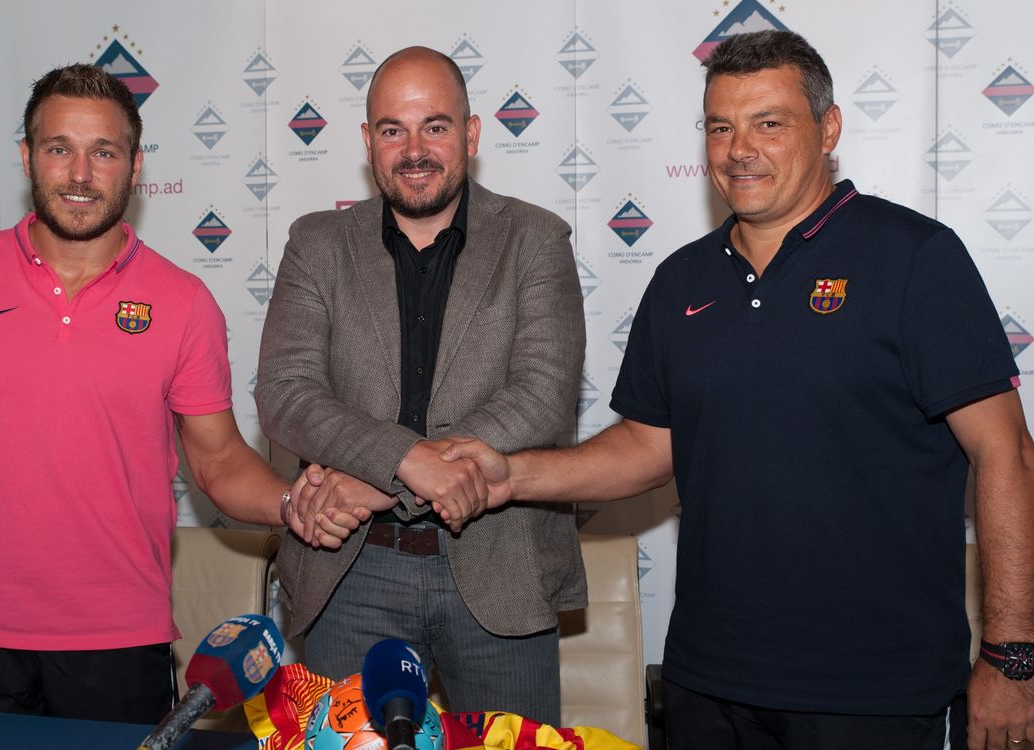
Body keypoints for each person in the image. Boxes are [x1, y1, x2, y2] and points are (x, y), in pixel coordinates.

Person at [438, 31, 1034, 750]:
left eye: (769, 123)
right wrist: (513, 475)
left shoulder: (916, 258)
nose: (738, 149)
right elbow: (650, 445)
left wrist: (1013, 658)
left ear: (829, 129)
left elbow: (1008, 457)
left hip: (873, 692)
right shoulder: (682, 280)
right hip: (707, 684)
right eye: (721, 126)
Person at [0, 64, 361, 724]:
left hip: (118, 641)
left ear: (135, 167)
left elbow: (218, 461)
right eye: (59, 149)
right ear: (28, 157)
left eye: (103, 152)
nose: (80, 175)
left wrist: (291, 504)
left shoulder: (183, 302)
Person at [253, 46, 586, 724]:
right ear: (368, 140)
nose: (414, 149)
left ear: (471, 133)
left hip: (500, 569)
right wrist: (407, 465)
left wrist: (377, 482)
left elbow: (544, 394)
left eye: (435, 126)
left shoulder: (537, 239)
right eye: (391, 129)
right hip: (351, 571)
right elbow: (286, 393)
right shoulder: (315, 244)